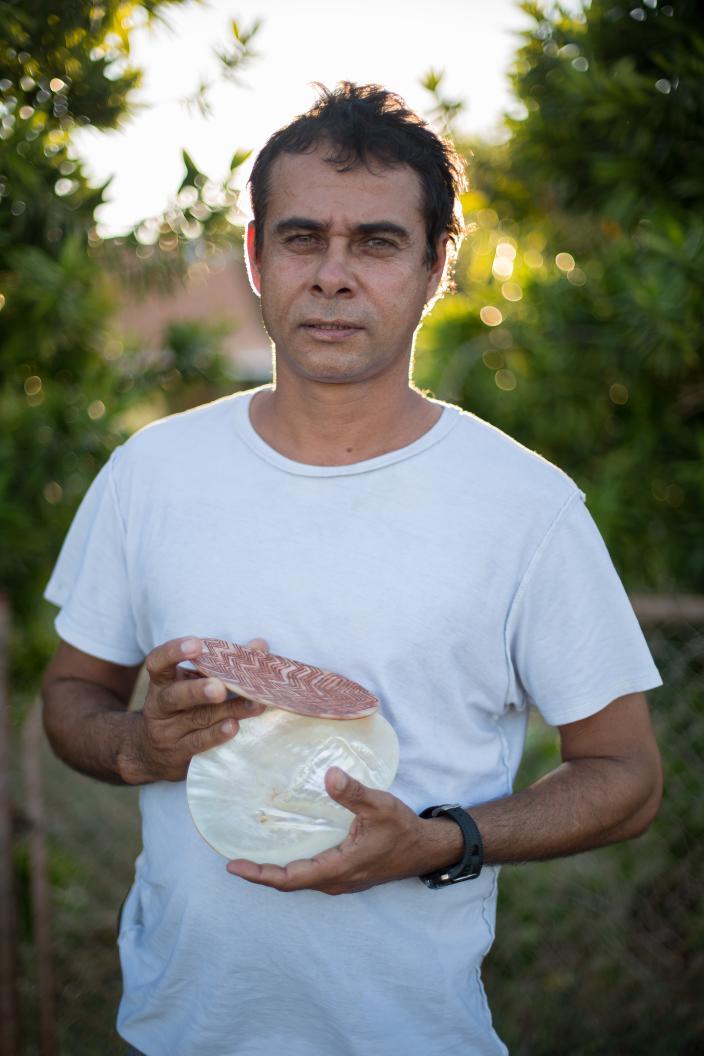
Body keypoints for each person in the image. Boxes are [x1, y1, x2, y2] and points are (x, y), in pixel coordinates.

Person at [42, 82, 663, 1056]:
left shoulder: (526, 509)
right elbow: (72, 694)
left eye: (374, 242)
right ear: (255, 256)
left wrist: (440, 840)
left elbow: (625, 775)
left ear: (432, 268)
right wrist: (138, 749)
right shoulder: (150, 473)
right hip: (176, 1033)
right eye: (300, 238)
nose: (332, 275)